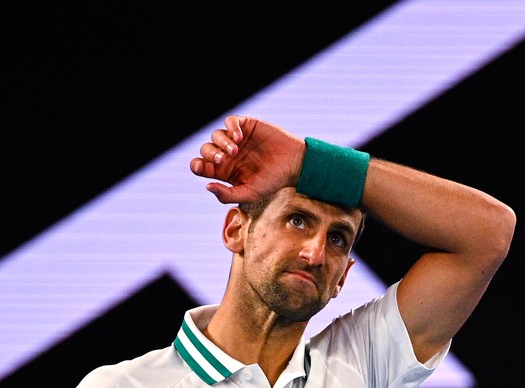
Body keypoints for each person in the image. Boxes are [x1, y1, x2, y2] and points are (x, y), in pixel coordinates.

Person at [77, 116, 515, 387]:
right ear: (236, 230)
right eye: (298, 220)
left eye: (339, 238)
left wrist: (309, 162)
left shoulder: (360, 362)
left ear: (344, 277)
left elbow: (488, 234)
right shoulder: (125, 386)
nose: (315, 252)